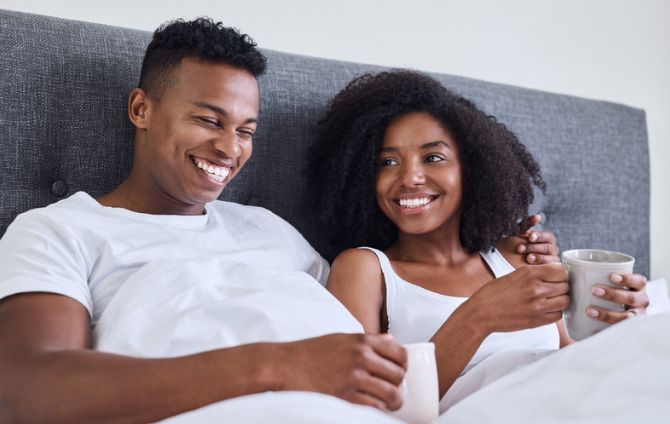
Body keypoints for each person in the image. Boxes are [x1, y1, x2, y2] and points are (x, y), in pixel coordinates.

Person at [0, 19, 558, 423]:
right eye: (207, 120)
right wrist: (277, 364)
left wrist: (495, 255)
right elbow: (28, 393)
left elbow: (379, 337)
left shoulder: (268, 231)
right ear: (141, 109)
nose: (228, 148)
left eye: (245, 130)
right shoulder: (59, 230)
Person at [309, 70, 650, 402]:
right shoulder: (366, 269)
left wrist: (623, 330)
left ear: (470, 170)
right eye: (387, 162)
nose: (410, 177)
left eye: (433, 157)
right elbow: (364, 406)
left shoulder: (517, 258)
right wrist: (478, 316)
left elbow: (573, 360)